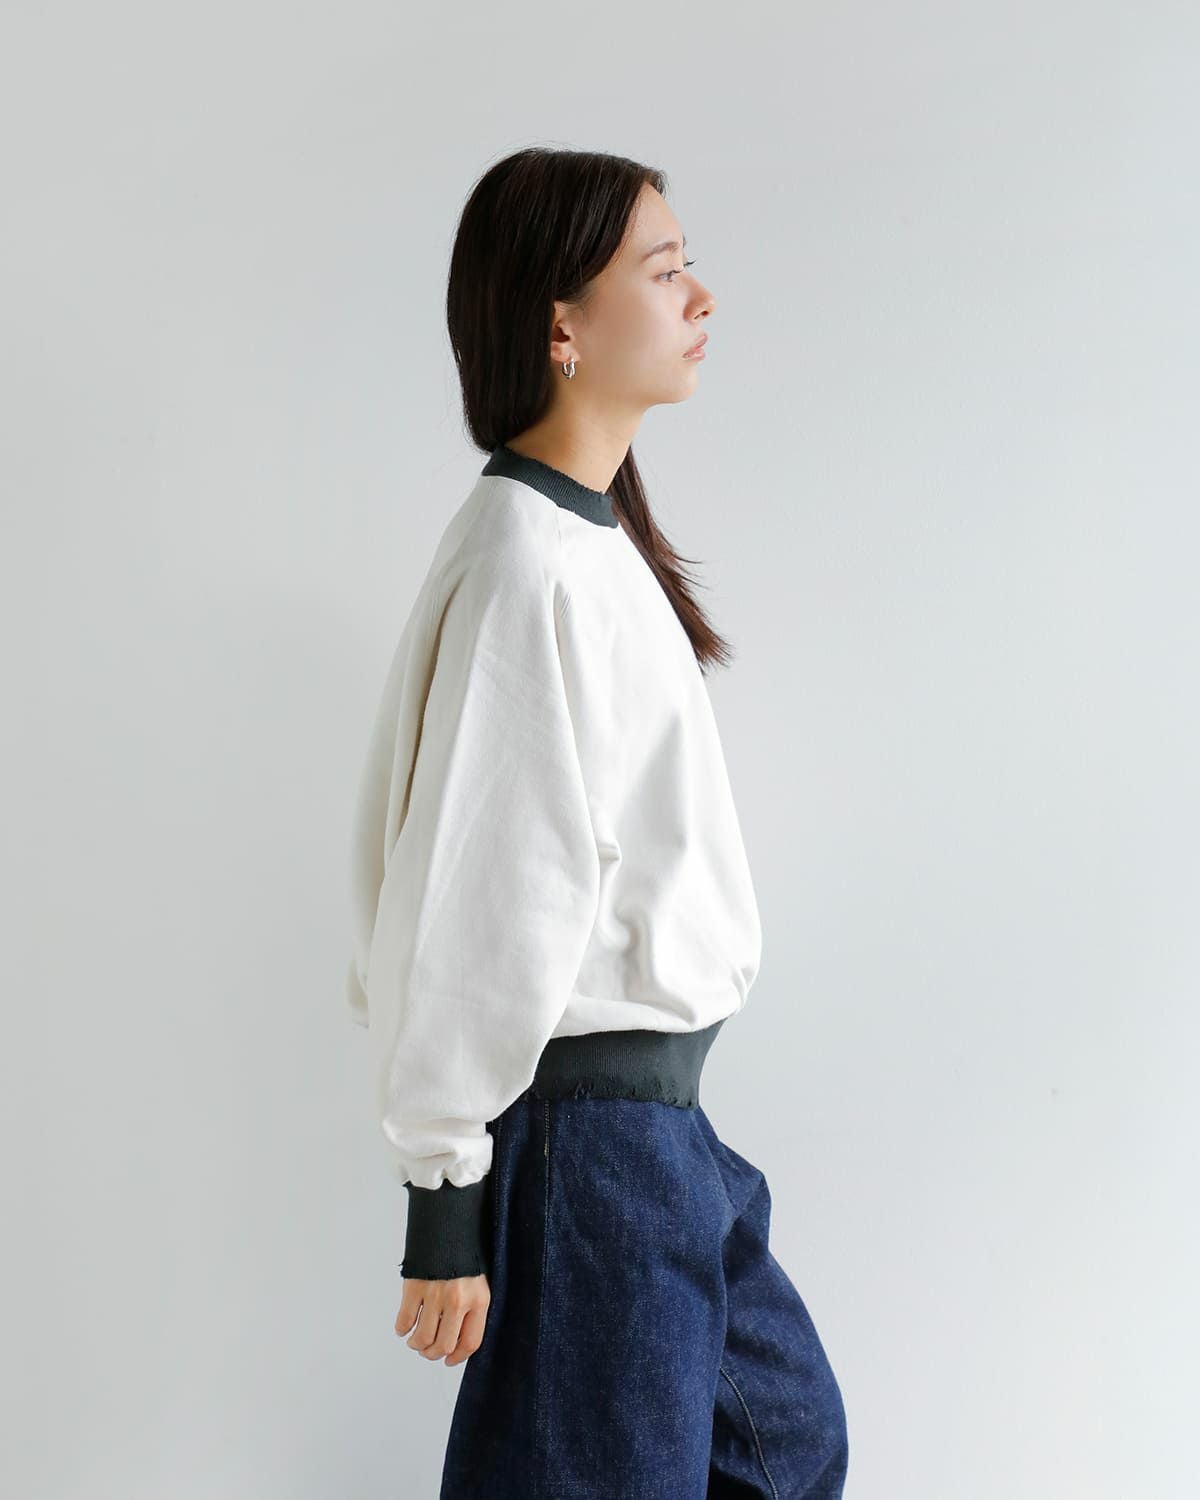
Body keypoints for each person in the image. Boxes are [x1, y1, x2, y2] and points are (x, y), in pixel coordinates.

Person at [345, 145, 850, 1499]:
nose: (701, 298)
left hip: (656, 1138)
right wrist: (444, 1195)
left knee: (788, 1447)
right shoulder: (528, 562)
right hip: (596, 1148)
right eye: (665, 270)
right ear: (561, 325)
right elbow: (477, 887)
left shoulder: (580, 543)